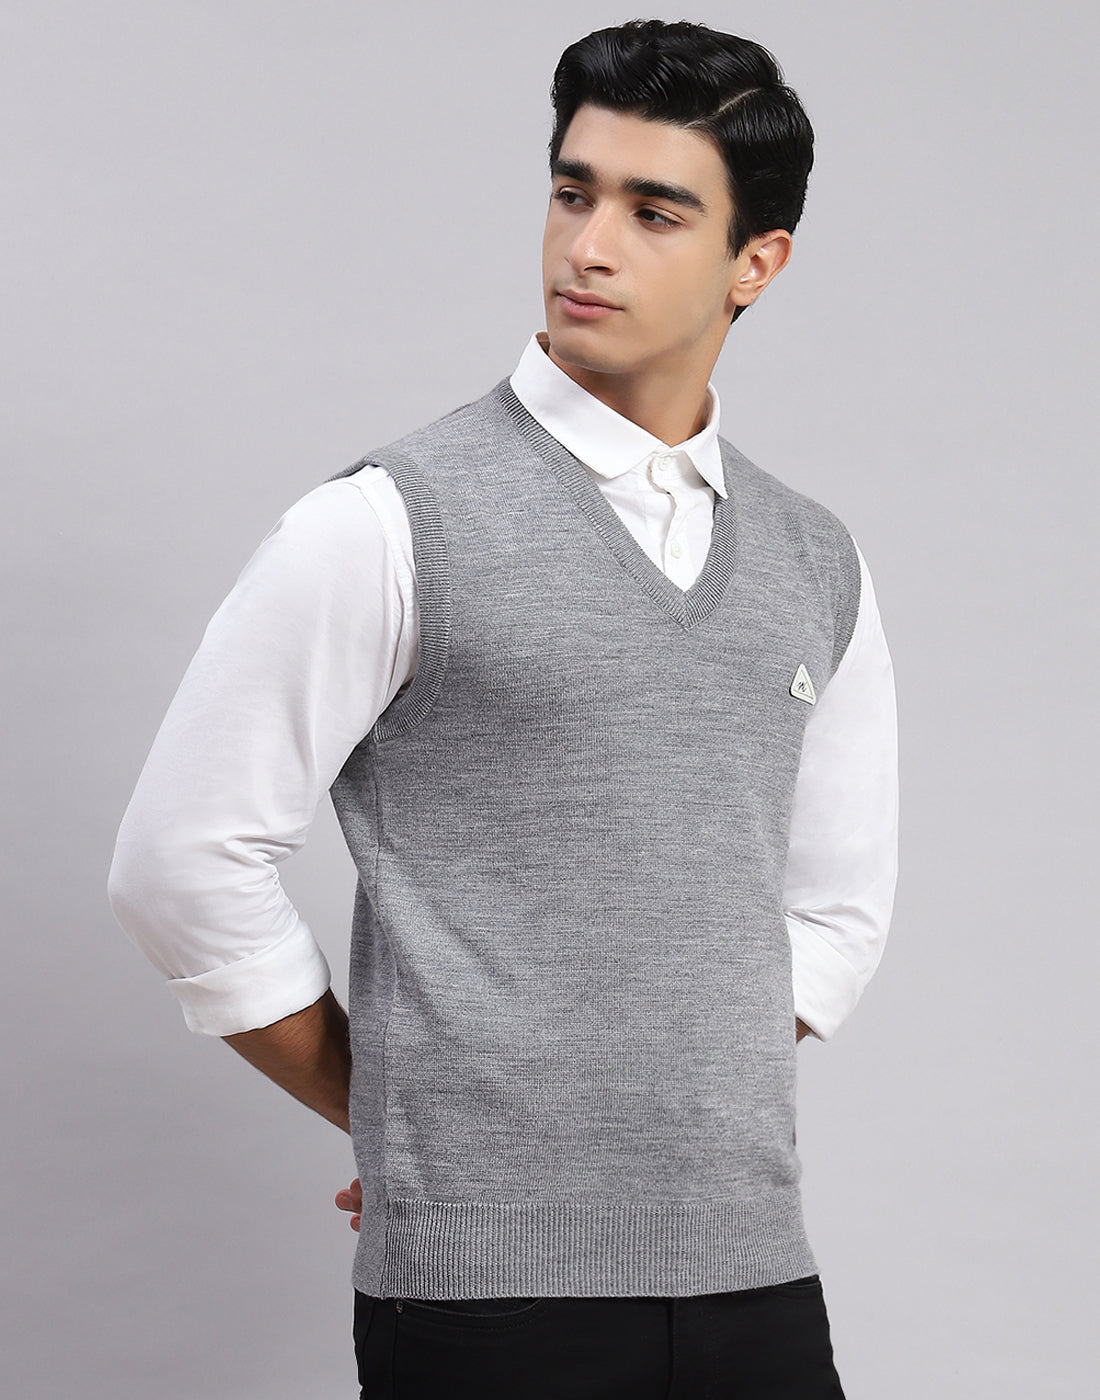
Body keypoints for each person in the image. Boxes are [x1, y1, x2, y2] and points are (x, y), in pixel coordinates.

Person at [109, 18, 897, 1399]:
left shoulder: (815, 559)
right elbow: (179, 865)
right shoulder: (386, 523)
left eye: (654, 212)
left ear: (756, 263)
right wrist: (402, 1125)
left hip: (756, 1280)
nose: (588, 246)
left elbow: (834, 915)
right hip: (488, 1302)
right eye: (572, 192)